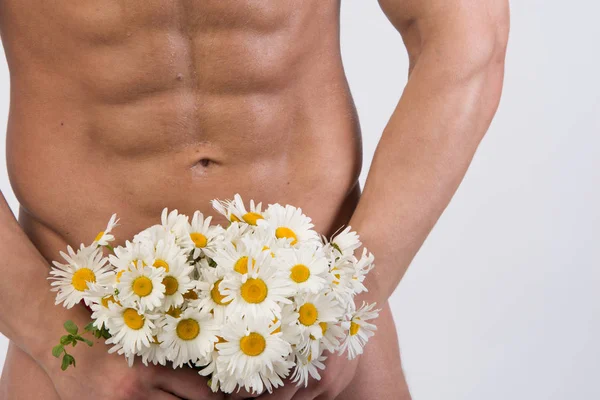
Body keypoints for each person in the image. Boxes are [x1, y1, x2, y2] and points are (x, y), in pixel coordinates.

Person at [0, 0, 509, 399]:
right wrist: (51, 333)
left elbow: (467, 39)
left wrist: (356, 292)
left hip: (316, 332)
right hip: (83, 337)